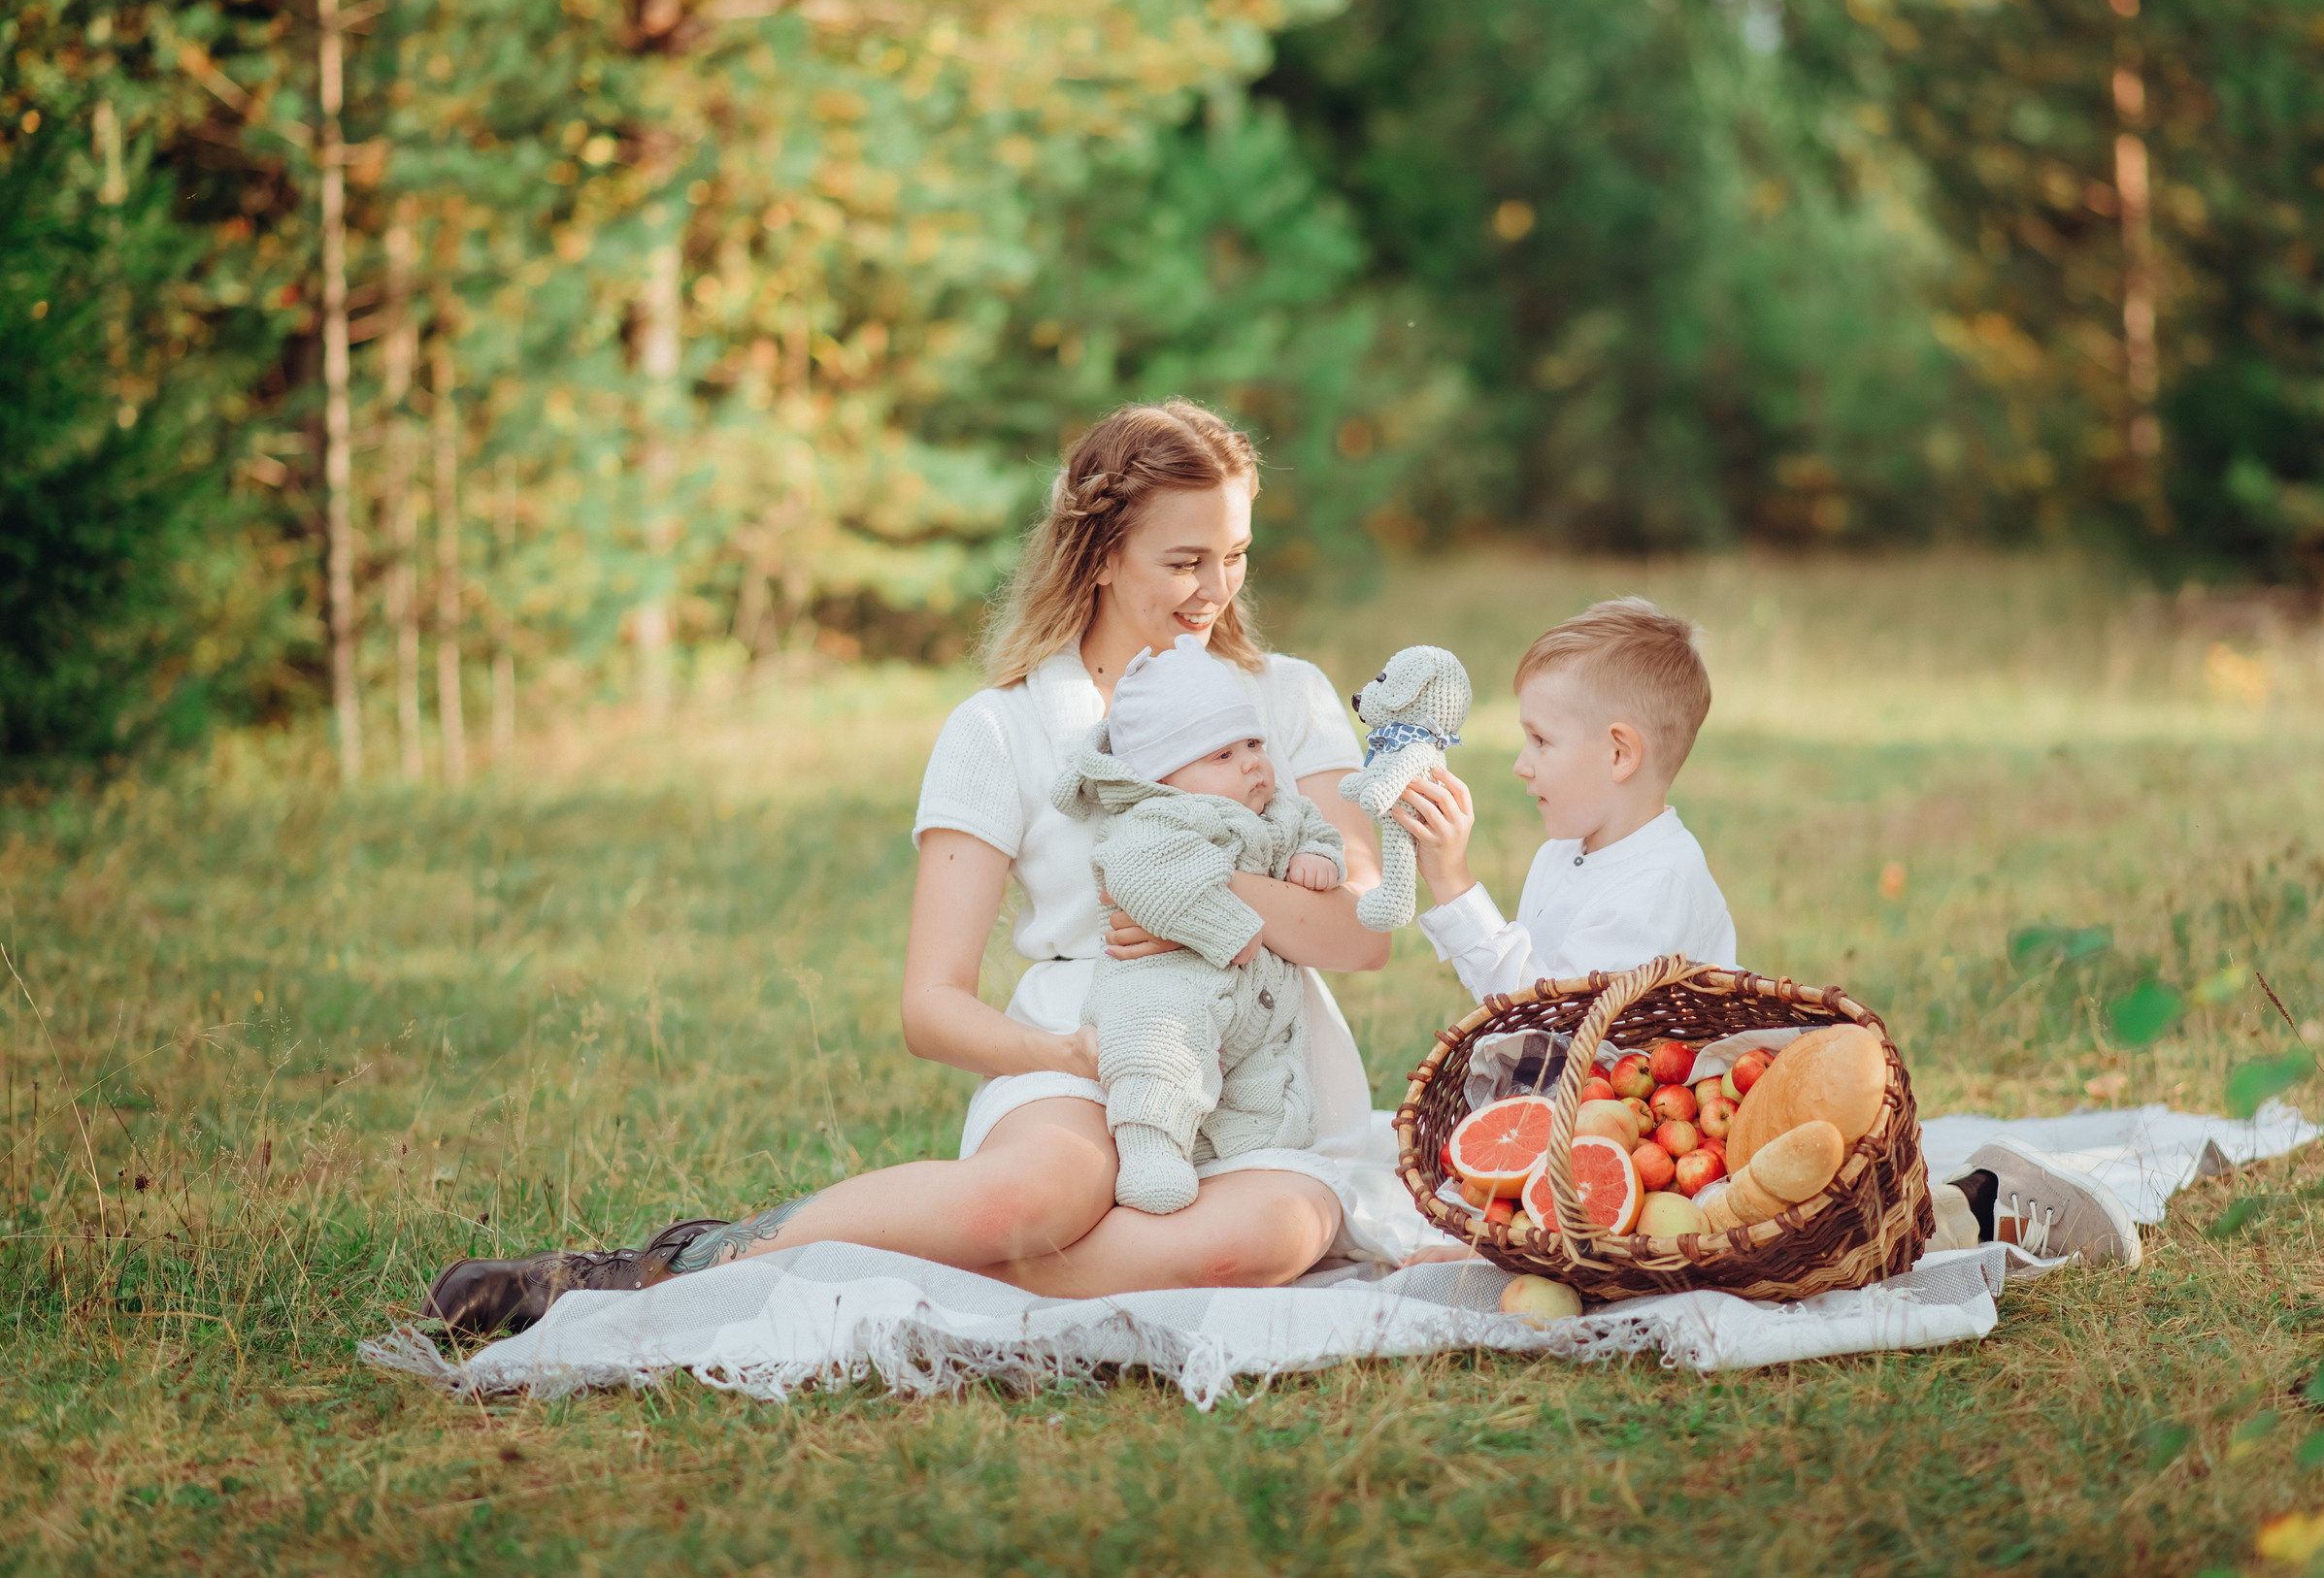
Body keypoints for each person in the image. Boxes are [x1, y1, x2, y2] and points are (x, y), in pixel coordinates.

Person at [419, 400, 1404, 1337]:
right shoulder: (1001, 726)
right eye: (1183, 559)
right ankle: (681, 1263)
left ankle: (866, 1259)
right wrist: (1069, 1058)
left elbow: (1359, 933)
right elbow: (930, 1006)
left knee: (1265, 1240)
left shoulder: (1285, 697)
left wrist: (1189, 896)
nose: (1215, 589)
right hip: (1082, 1040)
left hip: (1261, 1049)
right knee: (1032, 1199)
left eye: (1232, 555)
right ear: (1099, 554)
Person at [1389, 599, 2142, 1268]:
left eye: (1539, 740)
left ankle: (1977, 1203)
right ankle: (1512, 1224)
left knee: (1779, 1247)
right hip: (1608, 1117)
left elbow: (1556, 1017)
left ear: (1619, 753)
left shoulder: (1660, 879)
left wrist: (1456, 886)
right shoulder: (1565, 851)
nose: (1520, 766)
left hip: (1676, 1129)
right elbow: (1535, 1021)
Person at [1052, 635, 1345, 1213]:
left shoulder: (1279, 808)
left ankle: (1252, 1155)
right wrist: (1229, 929)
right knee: (1160, 1046)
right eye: (1222, 756)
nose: (1252, 764)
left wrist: (1321, 859)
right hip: (1169, 975)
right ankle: (1150, 1147)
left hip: (1258, 998)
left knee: (1267, 1076)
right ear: (1165, 775)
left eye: (1253, 743)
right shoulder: (1159, 815)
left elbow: (1319, 830)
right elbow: (1141, 876)